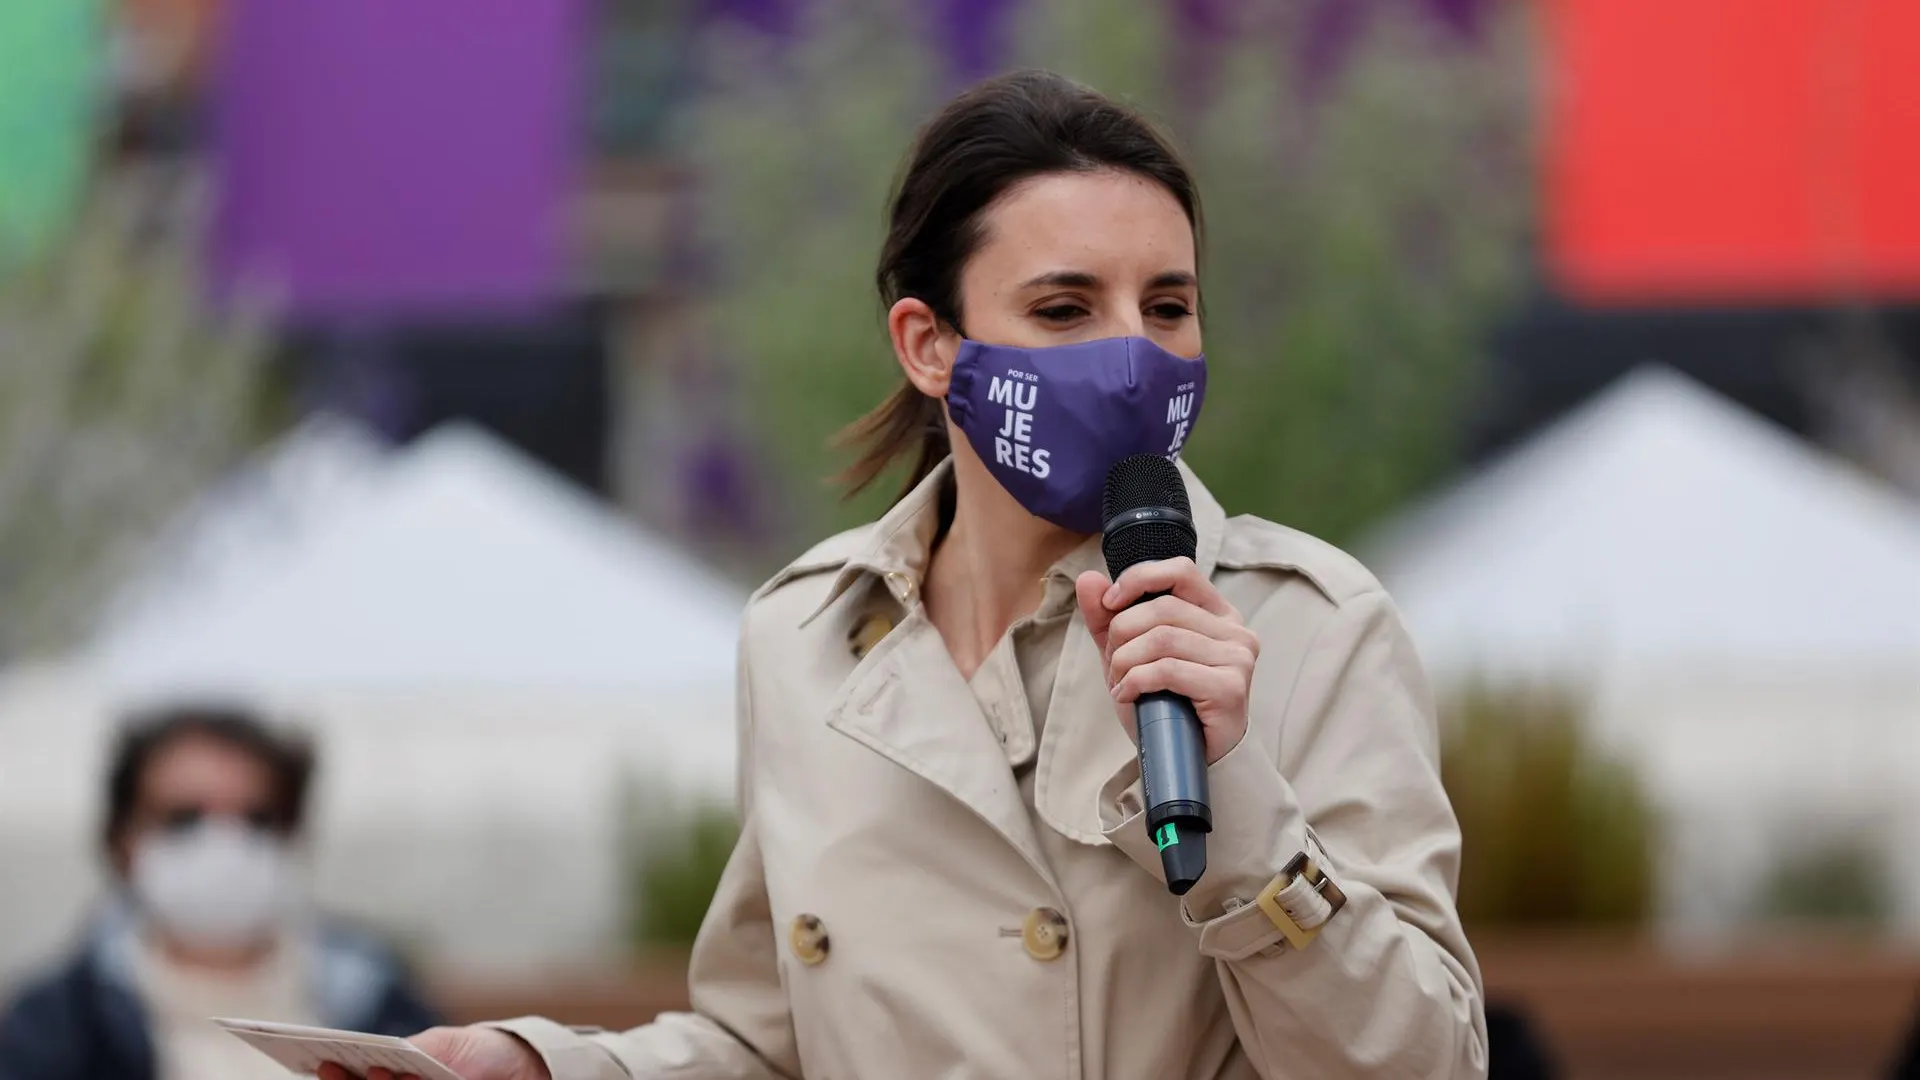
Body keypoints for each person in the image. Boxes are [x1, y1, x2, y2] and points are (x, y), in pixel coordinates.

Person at [331, 68, 1488, 1080]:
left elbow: (1424, 1061)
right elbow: (768, 1044)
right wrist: (548, 1068)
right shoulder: (806, 638)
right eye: (1064, 307)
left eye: (1168, 306)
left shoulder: (1305, 627)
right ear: (930, 346)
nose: (1133, 354)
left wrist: (1235, 796)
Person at [0, 704, 442, 1080]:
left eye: (257, 818)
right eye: (185, 819)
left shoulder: (381, 1002)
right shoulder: (57, 1023)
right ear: (123, 840)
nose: (224, 844)